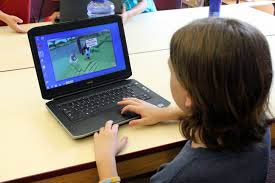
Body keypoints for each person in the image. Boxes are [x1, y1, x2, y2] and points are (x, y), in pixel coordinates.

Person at [93, 17, 273, 183]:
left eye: (172, 72)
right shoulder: (258, 122)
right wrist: (164, 113)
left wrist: (105, 161)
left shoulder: (178, 176)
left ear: (191, 97)